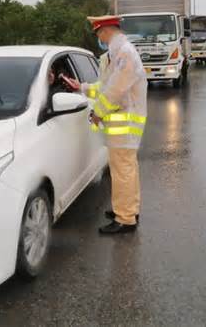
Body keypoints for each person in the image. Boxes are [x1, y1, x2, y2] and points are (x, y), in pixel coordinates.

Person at [63, 15, 148, 235]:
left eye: (99, 33)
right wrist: (82, 87)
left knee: (123, 171)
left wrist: (97, 113)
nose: (99, 38)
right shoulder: (115, 54)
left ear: (107, 30)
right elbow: (105, 86)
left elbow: (116, 90)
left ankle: (126, 218)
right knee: (126, 169)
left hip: (125, 122)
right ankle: (128, 209)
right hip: (120, 122)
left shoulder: (125, 54)